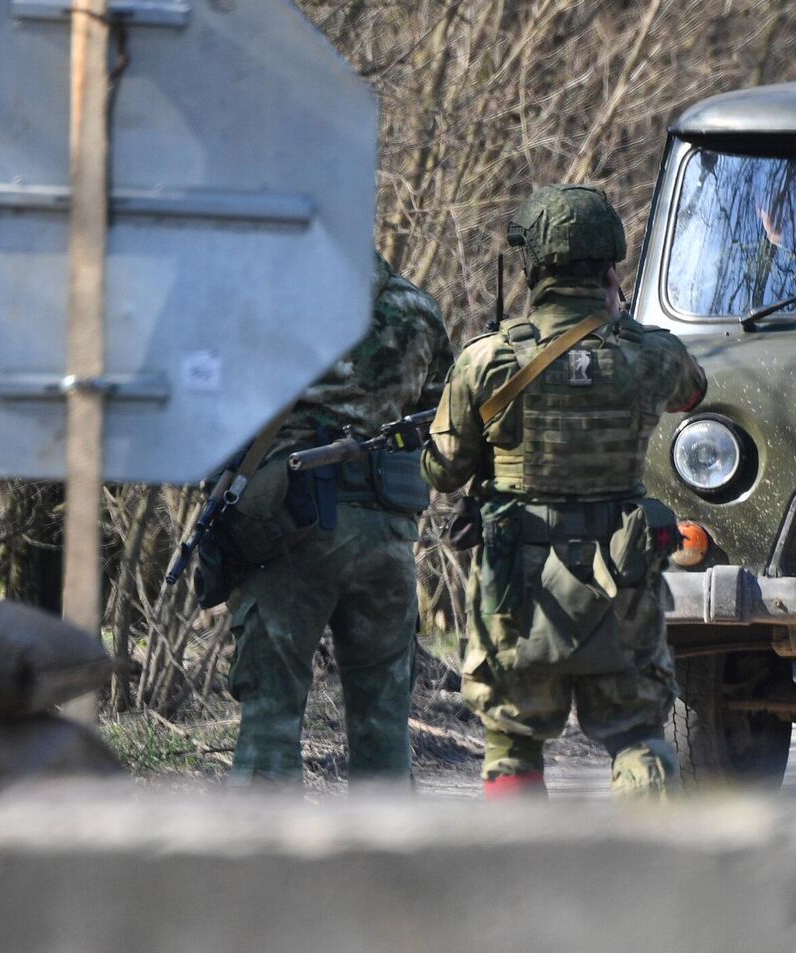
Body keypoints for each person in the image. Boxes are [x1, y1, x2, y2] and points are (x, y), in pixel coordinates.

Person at [422, 184, 706, 799]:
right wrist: (618, 320)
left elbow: (441, 472)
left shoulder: (487, 361)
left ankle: (523, 887)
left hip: (516, 589)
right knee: (637, 734)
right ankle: (656, 883)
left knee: (513, 745)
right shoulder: (650, 356)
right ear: (610, 266)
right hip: (621, 583)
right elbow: (692, 392)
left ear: (532, 268)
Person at [227, 252, 454, 783]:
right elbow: (443, 413)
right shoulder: (418, 308)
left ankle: (257, 864)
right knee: (383, 720)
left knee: (271, 718)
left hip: (290, 526)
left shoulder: (265, 298)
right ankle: (385, 864)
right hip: (387, 532)